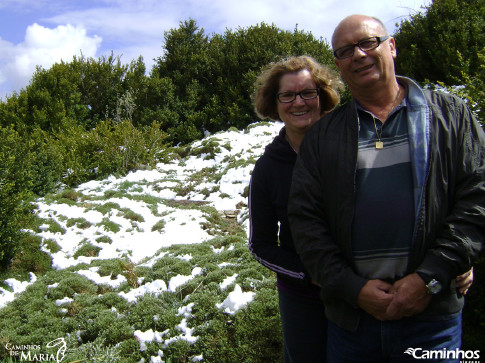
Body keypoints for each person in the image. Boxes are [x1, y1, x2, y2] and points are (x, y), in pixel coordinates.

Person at [287, 14, 485, 362]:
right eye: (346, 50)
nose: (359, 55)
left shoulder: (451, 114)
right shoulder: (323, 135)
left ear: (390, 46)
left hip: (433, 320)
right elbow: (305, 221)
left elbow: (477, 200)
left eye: (368, 43)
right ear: (338, 65)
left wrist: (431, 277)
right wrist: (353, 288)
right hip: (352, 324)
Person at [248, 55, 343, 362]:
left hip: (361, 288)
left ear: (322, 96)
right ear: (274, 104)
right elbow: (260, 245)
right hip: (303, 297)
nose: (298, 102)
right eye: (287, 95)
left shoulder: (350, 146)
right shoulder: (267, 169)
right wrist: (308, 274)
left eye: (307, 93)